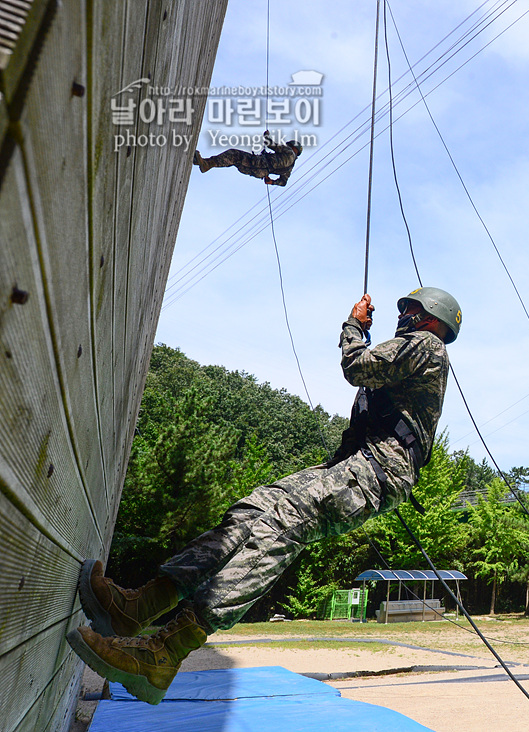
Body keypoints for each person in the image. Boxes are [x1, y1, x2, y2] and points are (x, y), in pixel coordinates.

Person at [66, 287, 462, 705]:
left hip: (373, 473)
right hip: (349, 466)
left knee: (281, 524)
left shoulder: (428, 345)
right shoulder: (416, 350)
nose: (405, 316)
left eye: (412, 309)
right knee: (253, 510)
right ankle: (140, 606)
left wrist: (353, 328)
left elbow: (358, 365)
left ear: (434, 318)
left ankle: (163, 653)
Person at [193, 131, 303, 185]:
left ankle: (206, 164)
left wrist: (266, 136)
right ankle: (203, 163)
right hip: (259, 173)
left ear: (293, 147)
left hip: (259, 163)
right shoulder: (290, 168)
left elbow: (270, 143)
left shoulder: (289, 151)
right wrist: (271, 182)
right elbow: (283, 182)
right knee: (234, 161)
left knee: (233, 154)